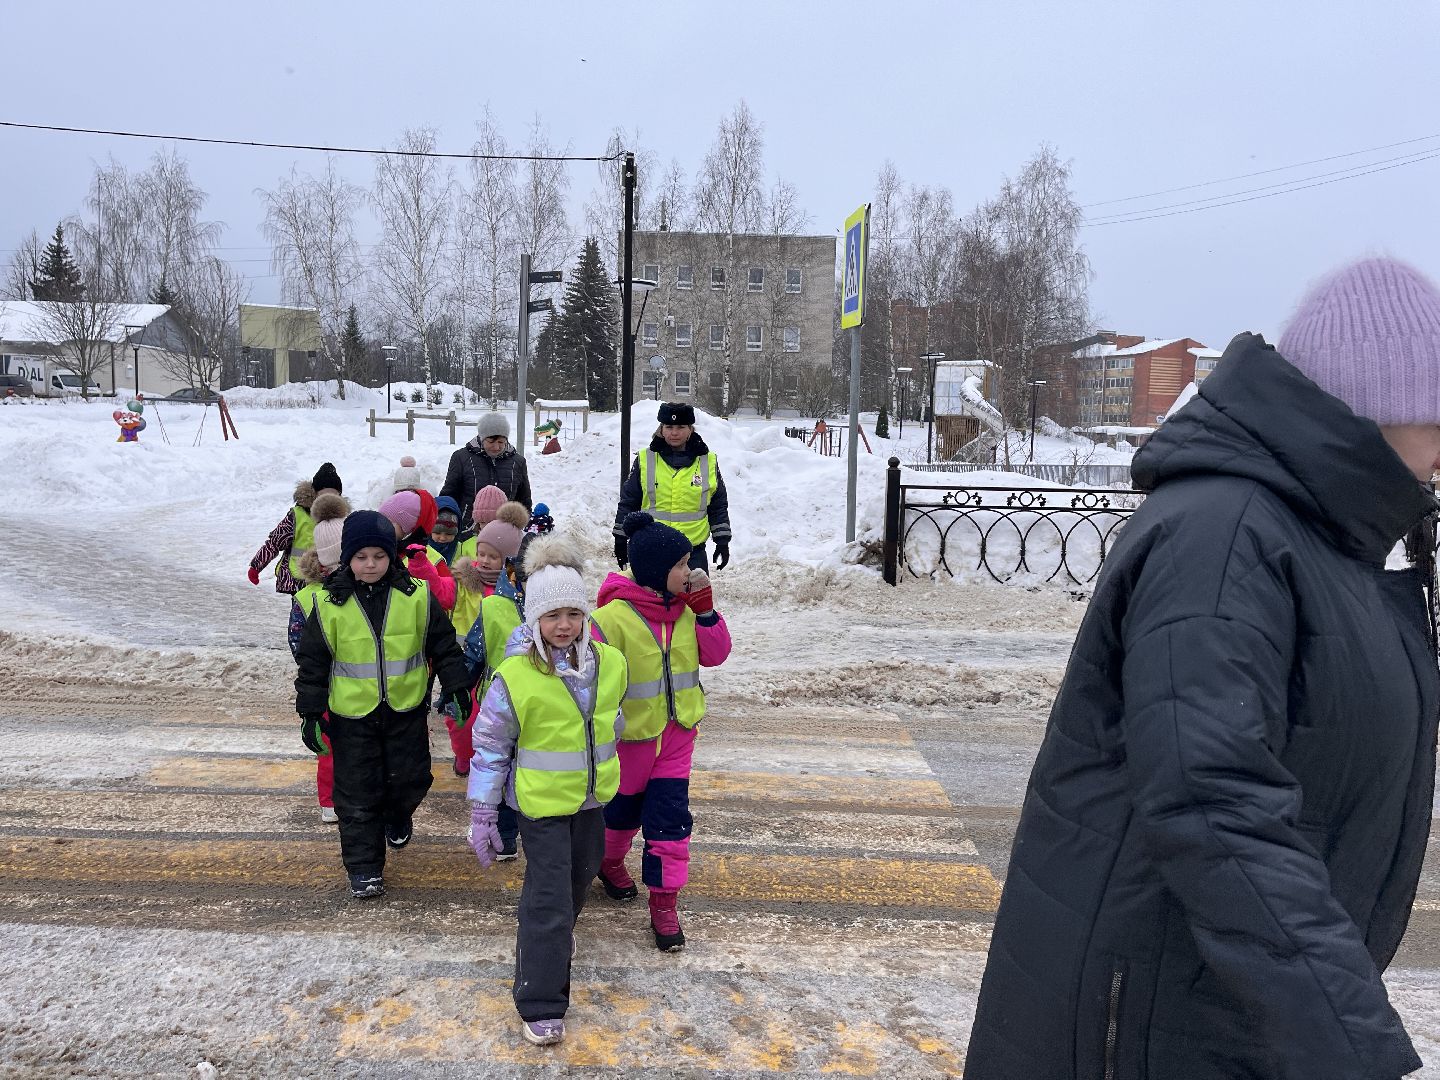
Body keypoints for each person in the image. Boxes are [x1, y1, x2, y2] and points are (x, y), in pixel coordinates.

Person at [965, 257, 1440, 1080]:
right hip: (1147, 1026)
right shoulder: (1224, 537)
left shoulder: (1330, 540)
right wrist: (1346, 1036)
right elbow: (1213, 799)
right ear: (1378, 405)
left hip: (1223, 1017)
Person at [466, 532, 627, 1047]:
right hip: (539, 808)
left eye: (572, 614)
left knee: (575, 887)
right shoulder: (515, 676)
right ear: (533, 620)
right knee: (551, 901)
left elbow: (613, 723)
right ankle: (539, 998)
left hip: (590, 802)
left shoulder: (610, 665)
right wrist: (484, 814)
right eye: (552, 616)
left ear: (585, 616)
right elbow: (490, 747)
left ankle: (547, 938)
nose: (563, 625)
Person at [294, 510, 470, 899]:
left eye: (379, 555)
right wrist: (310, 713)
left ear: (392, 556)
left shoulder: (417, 597)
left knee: (412, 779)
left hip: (404, 712)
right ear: (347, 559)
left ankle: (397, 814)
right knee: (356, 794)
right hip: (351, 717)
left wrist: (457, 686)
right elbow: (312, 664)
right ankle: (364, 867)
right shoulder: (328, 604)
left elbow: (444, 647)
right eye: (361, 557)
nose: (370, 564)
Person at [591, 511, 732, 952]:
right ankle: (608, 862)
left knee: (670, 823)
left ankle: (665, 903)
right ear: (653, 571)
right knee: (620, 817)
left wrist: (706, 612)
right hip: (629, 741)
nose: (690, 572)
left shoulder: (691, 612)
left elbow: (717, 655)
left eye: (690, 561)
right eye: (680, 564)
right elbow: (590, 681)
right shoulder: (611, 619)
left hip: (676, 737)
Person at [447, 501, 528, 790]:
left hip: (506, 683)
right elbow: (442, 592)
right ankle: (465, 756)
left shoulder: (526, 597)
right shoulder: (468, 582)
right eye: (480, 553)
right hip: (471, 669)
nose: (483, 560)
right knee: (463, 721)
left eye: (493, 556)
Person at [289, 490, 350, 825]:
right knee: (328, 745)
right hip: (327, 683)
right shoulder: (308, 596)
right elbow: (298, 641)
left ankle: (345, 796)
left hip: (357, 682)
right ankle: (329, 801)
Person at [613, 403, 732, 573]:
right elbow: (629, 502)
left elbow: (718, 505)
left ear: (691, 429)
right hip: (652, 549)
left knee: (693, 599)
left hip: (692, 552)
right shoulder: (645, 459)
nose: (674, 432)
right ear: (661, 429)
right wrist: (620, 539)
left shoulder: (708, 461)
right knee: (651, 600)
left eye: (680, 427)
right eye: (669, 426)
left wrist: (722, 541)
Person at [248, 462, 342, 632]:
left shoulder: (343, 517)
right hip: (300, 577)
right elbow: (275, 541)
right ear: (315, 494)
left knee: (327, 614)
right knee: (303, 615)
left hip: (332, 576)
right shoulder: (296, 516)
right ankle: (301, 644)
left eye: (333, 495)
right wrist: (256, 566)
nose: (328, 501)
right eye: (323, 495)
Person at [441, 413, 533, 531]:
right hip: (467, 530)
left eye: (501, 442)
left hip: (504, 532)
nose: (496, 447)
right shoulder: (461, 458)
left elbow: (524, 501)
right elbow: (449, 495)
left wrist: (518, 526)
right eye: (491, 441)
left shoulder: (517, 462)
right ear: (482, 438)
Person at [379, 490, 455, 613]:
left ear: (409, 528)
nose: (382, 526)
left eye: (390, 522)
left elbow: (447, 598)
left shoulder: (433, 559)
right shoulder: (384, 550)